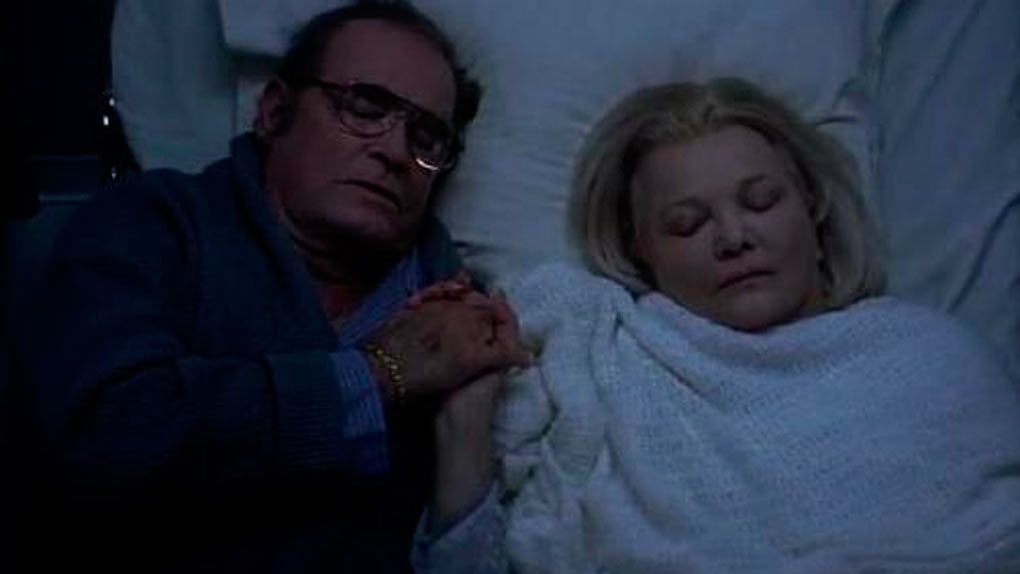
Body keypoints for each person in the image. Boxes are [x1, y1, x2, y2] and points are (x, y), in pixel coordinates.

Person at [412, 79, 1020, 572]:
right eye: (687, 224)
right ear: (640, 249)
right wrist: (464, 431)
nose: (733, 238)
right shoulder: (595, 369)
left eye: (761, 202)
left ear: (812, 206)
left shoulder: (931, 360)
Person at [8, 2, 529, 572]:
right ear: (276, 112)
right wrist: (378, 375)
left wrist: (464, 426)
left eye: (427, 138)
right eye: (365, 106)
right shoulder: (152, 227)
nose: (396, 152)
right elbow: (97, 437)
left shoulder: (456, 317)